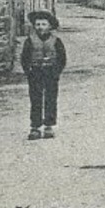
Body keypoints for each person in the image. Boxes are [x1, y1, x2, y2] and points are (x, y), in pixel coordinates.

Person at [20, 9, 67, 141]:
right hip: (35, 73)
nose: (40, 27)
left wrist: (56, 71)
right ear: (34, 26)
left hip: (50, 73)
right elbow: (25, 58)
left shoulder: (56, 41)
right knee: (35, 99)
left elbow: (62, 58)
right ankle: (35, 127)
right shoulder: (30, 41)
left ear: (50, 26)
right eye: (38, 24)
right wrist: (28, 71)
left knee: (50, 99)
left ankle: (49, 126)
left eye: (43, 24)